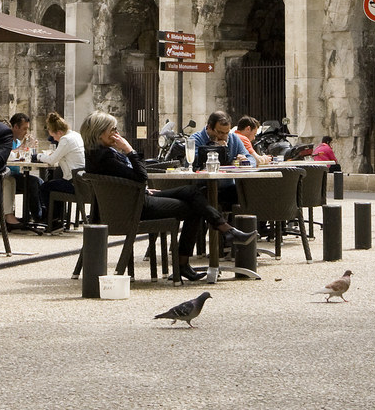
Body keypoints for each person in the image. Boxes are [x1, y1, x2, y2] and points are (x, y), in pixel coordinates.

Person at [82, 111, 250, 283]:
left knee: (192, 193)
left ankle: (227, 230)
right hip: (136, 207)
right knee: (195, 207)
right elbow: (141, 176)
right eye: (113, 130)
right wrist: (129, 150)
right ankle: (189, 259)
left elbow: (126, 180)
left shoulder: (97, 154)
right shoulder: (105, 156)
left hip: (135, 199)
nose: (117, 133)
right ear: (99, 133)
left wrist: (144, 188)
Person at [24, 111, 84, 229]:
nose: (54, 139)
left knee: (45, 188)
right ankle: (59, 217)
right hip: (81, 179)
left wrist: (38, 157)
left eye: (54, 136)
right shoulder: (76, 135)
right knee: (54, 184)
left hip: (73, 181)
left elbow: (51, 160)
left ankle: (53, 219)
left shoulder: (65, 139)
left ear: (59, 132)